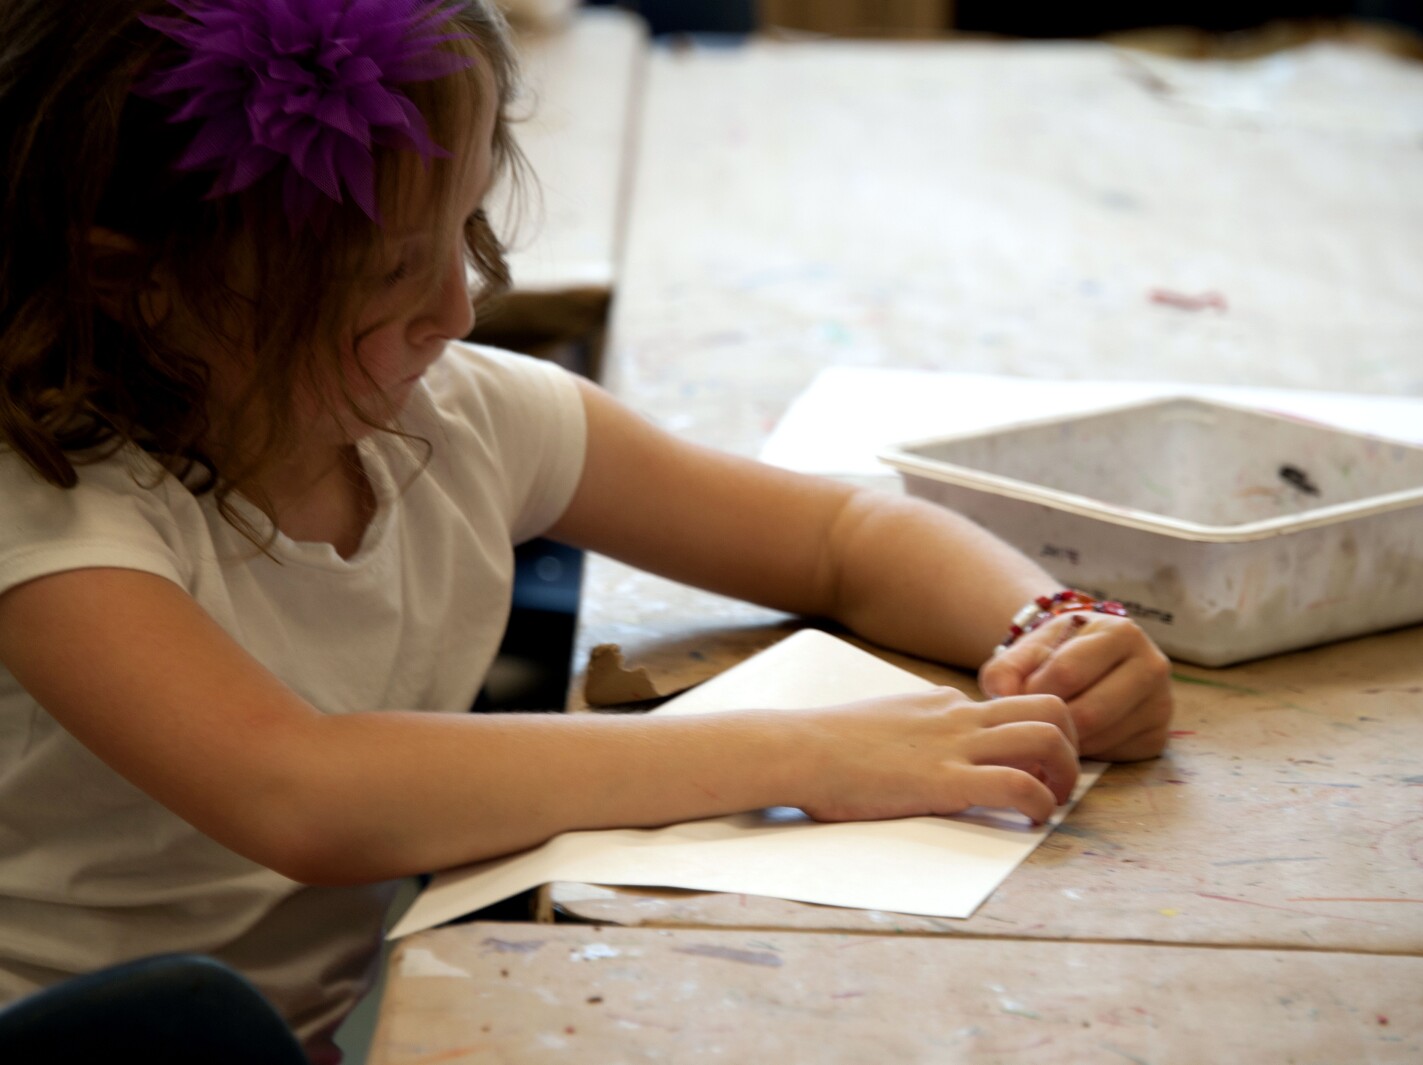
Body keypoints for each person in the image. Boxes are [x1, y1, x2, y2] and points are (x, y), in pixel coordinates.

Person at [0, 0, 1174, 1057]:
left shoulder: (450, 423)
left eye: (463, 231)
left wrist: (1054, 627)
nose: (459, 309)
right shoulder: (46, 503)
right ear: (132, 279)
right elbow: (299, 787)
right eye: (386, 271)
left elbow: (843, 535)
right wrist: (806, 752)